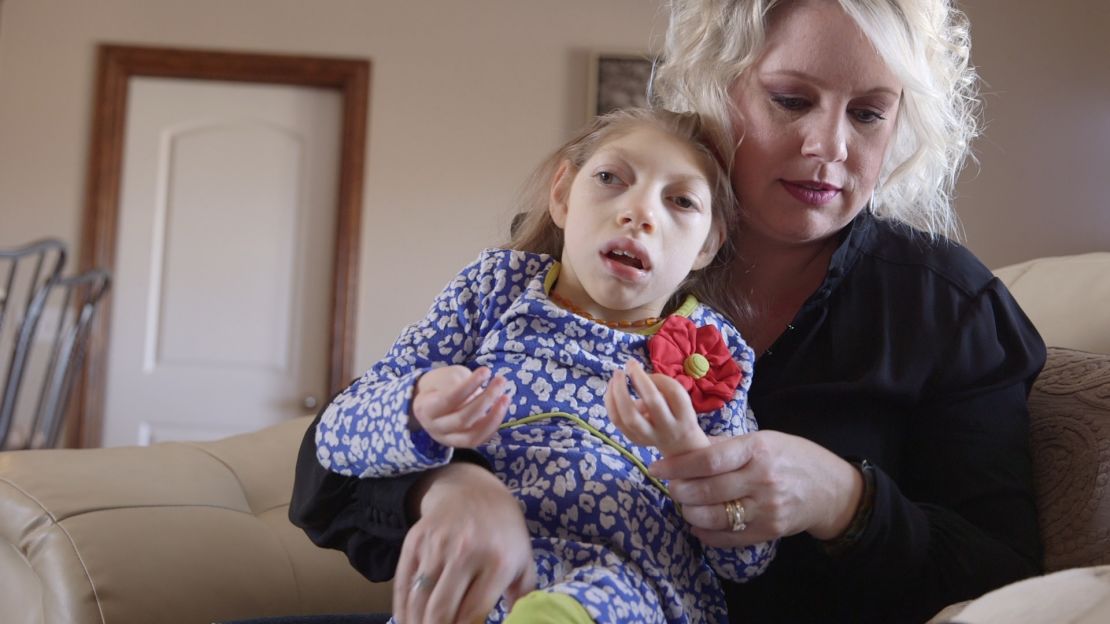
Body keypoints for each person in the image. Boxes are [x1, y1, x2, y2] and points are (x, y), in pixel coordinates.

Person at [290, 0, 1046, 622]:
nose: (828, 145)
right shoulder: (551, 275)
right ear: (720, 88)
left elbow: (1008, 575)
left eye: (870, 115)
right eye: (791, 100)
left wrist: (845, 499)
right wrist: (448, 486)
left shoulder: (947, 307)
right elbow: (326, 478)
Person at [311, 107, 775, 624]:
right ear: (562, 195)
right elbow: (335, 435)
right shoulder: (493, 289)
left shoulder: (715, 352)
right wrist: (418, 405)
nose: (640, 211)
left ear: (707, 244)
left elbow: (745, 559)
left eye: (681, 201)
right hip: (481, 576)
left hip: (634, 591)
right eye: (610, 178)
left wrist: (691, 455)